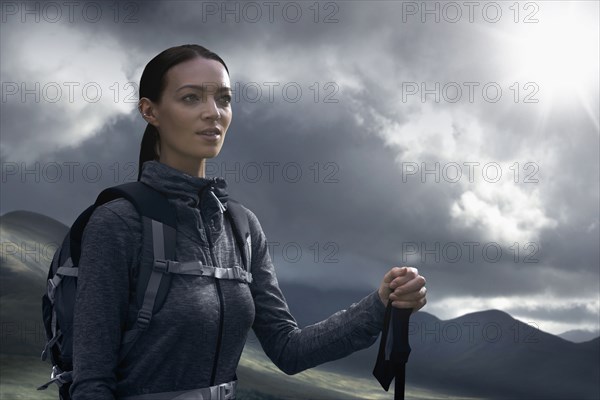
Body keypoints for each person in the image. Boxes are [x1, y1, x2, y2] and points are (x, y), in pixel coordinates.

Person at [70, 44, 427, 400]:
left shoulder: (241, 227)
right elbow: (91, 383)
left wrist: (381, 303)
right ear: (150, 111)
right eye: (191, 98)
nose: (213, 113)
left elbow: (289, 349)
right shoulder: (118, 223)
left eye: (223, 99)